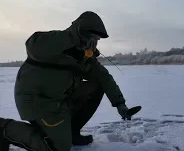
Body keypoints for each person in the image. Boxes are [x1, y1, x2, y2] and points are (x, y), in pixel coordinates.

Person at [0, 11, 131, 151]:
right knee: (58, 148)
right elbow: (33, 46)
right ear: (81, 32)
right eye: (93, 38)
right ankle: (4, 128)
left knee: (96, 86)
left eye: (97, 40)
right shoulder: (55, 42)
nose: (94, 43)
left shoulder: (84, 56)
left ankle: (71, 132)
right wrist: (74, 38)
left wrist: (119, 103)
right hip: (37, 101)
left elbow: (103, 77)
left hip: (58, 101)